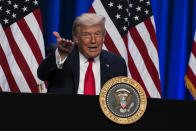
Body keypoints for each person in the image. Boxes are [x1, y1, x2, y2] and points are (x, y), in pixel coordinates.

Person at [37, 13, 127, 95]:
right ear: (76, 38)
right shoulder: (62, 54)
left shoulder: (117, 62)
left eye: (97, 34)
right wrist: (61, 54)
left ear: (103, 36)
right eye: (86, 35)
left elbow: (122, 96)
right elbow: (42, 74)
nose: (93, 40)